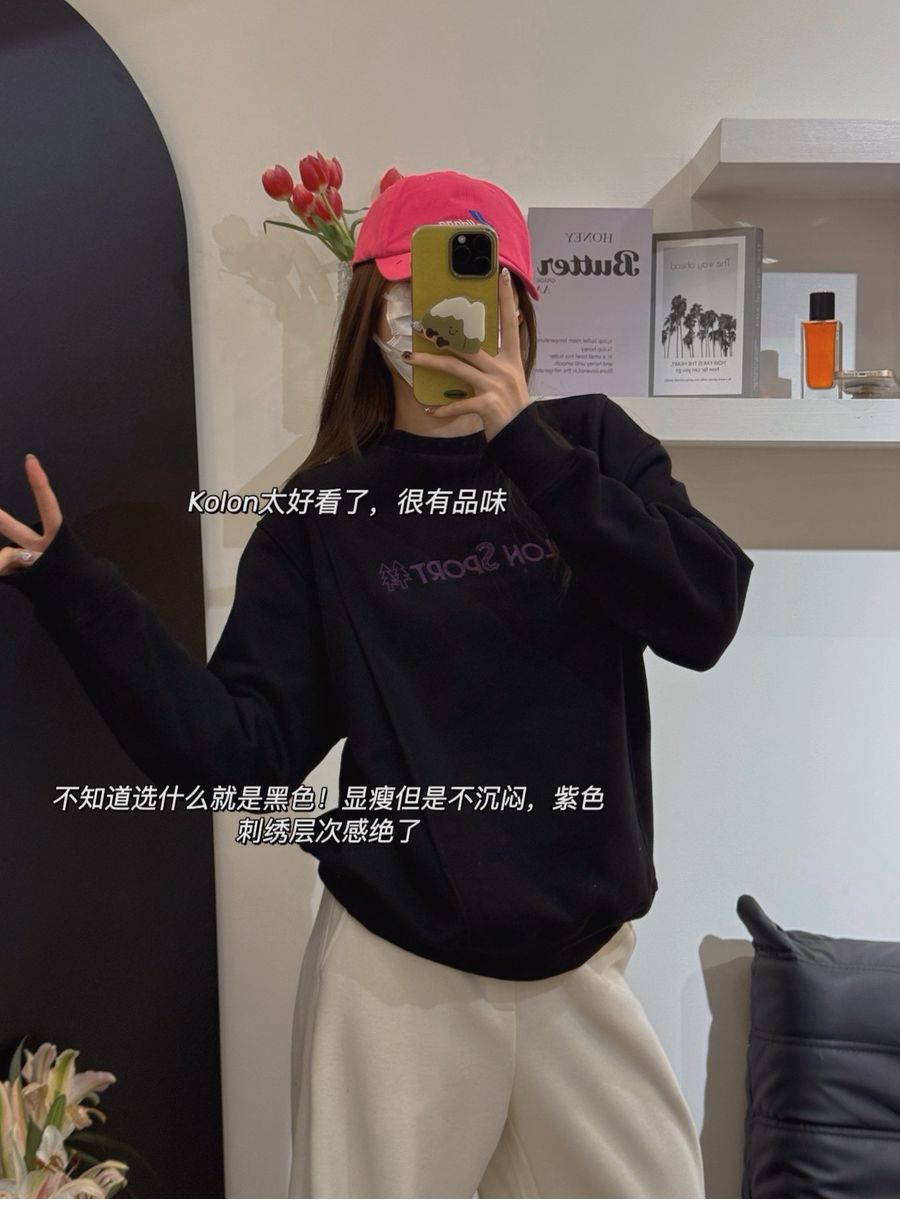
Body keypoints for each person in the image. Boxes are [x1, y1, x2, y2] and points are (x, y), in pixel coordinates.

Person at [0, 169, 754, 1198]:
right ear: (370, 313)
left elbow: (704, 612)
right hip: (396, 983)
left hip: (580, 968)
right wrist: (75, 592)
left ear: (519, 305)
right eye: (409, 286)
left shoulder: (589, 447)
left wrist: (525, 447)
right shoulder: (322, 515)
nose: (434, 313)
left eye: (472, 282)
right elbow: (239, 754)